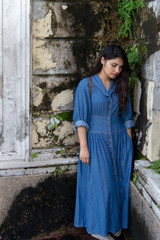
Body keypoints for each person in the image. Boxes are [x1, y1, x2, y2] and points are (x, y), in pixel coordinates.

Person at [73, 45, 135, 240]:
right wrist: (84, 147)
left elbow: (127, 117)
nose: (117, 71)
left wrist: (129, 143)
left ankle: (114, 224)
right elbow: (80, 119)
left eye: (120, 67)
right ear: (102, 60)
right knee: (101, 186)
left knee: (119, 185)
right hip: (95, 142)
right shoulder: (86, 85)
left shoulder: (120, 85)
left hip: (119, 141)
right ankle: (97, 228)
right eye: (113, 65)